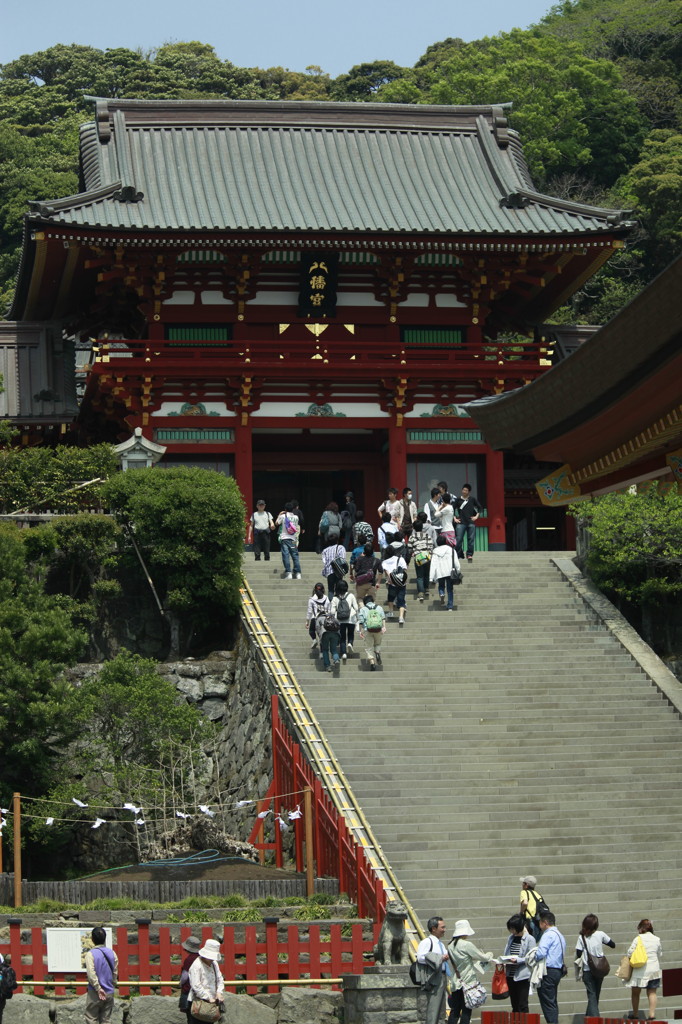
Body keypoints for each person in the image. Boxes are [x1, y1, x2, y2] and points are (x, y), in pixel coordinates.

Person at [447, 919, 493, 1024]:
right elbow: (482, 957)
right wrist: (490, 954)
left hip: (455, 982)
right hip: (468, 983)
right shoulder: (466, 945)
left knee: (455, 1011)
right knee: (466, 1010)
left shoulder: (450, 945)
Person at [576, 913, 615, 1018]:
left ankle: (592, 1018)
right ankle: (592, 1018)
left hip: (588, 970)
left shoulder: (582, 937)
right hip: (600, 969)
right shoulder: (601, 934)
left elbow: (578, 953)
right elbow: (613, 944)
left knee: (592, 995)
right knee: (595, 994)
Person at [626, 919, 662, 1020]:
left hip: (640, 970)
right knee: (652, 992)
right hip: (654, 970)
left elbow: (629, 953)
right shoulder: (657, 939)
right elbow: (660, 953)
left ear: (641, 928)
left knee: (635, 992)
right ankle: (651, 1014)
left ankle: (635, 1014)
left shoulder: (638, 939)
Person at [416, 916, 450, 1024]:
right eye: (442, 927)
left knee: (440, 1009)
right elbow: (420, 957)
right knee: (433, 1007)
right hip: (434, 977)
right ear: (434, 929)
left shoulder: (440, 943)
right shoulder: (427, 942)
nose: (444, 930)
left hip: (442, 976)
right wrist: (438, 958)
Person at [534, 911, 566, 1024]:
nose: (539, 925)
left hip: (548, 971)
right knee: (552, 1001)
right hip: (557, 970)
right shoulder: (560, 935)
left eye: (540, 922)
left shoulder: (547, 935)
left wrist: (533, 956)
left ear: (545, 923)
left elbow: (541, 953)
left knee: (547, 1002)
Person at [502, 913, 536, 1014]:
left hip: (522, 976)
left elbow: (532, 957)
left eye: (513, 928)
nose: (511, 931)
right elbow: (507, 952)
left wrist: (518, 960)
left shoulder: (530, 939)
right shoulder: (511, 938)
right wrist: (503, 960)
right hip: (510, 975)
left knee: (522, 1004)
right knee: (514, 1004)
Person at [84, 926, 118, 1024]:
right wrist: (112, 985)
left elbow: (91, 974)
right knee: (106, 1019)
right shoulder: (112, 953)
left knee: (91, 1018)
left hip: (94, 992)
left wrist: (98, 988)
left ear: (92, 939)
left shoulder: (90, 954)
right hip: (109, 991)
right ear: (105, 938)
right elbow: (115, 972)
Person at [188, 938, 224, 1023]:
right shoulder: (197, 965)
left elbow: (219, 978)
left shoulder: (214, 964)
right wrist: (207, 997)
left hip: (212, 1003)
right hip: (199, 1002)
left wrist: (219, 992)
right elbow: (196, 985)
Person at [379, 542, 408, 626]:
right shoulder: (400, 559)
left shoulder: (384, 562)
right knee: (401, 600)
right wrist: (403, 579)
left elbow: (387, 573)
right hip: (402, 584)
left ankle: (391, 612)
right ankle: (401, 617)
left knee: (390, 598)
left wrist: (391, 580)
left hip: (392, 584)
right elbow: (405, 570)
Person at [429, 533, 460, 610]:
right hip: (450, 571)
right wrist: (458, 570)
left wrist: (431, 577)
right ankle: (450, 606)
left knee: (441, 585)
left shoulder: (435, 551)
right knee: (450, 589)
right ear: (446, 541)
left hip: (440, 572)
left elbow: (433, 564)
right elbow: (456, 562)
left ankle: (441, 593)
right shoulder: (451, 550)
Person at [330, 578, 359, 661]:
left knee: (342, 637)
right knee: (350, 634)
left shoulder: (335, 598)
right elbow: (356, 607)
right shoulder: (351, 595)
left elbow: (332, 611)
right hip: (351, 619)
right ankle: (350, 643)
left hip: (340, 620)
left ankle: (343, 653)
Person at [453, 483, 482, 563]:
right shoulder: (458, 499)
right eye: (463, 490)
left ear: (469, 492)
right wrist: (454, 518)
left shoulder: (472, 499)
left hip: (470, 522)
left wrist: (476, 516)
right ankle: (457, 554)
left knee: (471, 540)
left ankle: (469, 554)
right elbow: (452, 509)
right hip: (461, 522)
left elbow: (480, 508)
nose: (464, 491)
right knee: (458, 539)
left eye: (466, 490)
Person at [357, 593, 386, 670]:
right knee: (377, 643)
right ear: (373, 601)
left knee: (369, 647)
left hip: (368, 630)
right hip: (378, 629)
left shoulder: (363, 609)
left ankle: (372, 663)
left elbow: (361, 621)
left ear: (365, 602)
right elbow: (383, 618)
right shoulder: (379, 608)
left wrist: (361, 631)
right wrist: (384, 627)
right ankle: (377, 652)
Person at [408, 518, 434, 601]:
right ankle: (426, 589)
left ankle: (420, 593)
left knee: (420, 576)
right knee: (426, 574)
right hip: (426, 555)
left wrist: (412, 553)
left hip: (418, 556)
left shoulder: (412, 537)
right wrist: (429, 554)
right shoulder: (427, 535)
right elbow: (431, 546)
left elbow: (409, 548)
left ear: (414, 528)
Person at [276, 502, 302, 579]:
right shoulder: (296, 517)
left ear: (285, 509)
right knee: (295, 555)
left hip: (285, 538)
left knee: (286, 555)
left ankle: (288, 572)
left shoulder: (283, 516)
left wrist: (279, 515)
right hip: (293, 539)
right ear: (293, 509)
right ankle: (298, 573)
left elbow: (277, 523)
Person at [178, 935, 201, 1021]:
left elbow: (185, 976)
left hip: (189, 990)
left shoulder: (189, 959)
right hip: (202, 990)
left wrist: (180, 983)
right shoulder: (202, 958)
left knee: (191, 1016)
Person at [519, 875, 546, 941]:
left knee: (527, 944)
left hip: (529, 921)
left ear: (526, 885)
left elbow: (525, 903)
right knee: (534, 943)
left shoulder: (524, 892)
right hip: (539, 923)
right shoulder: (537, 894)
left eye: (523, 883)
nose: (522, 885)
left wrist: (521, 912)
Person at [321, 533, 347, 598]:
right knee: (339, 589)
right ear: (337, 540)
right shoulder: (341, 547)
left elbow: (324, 561)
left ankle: (331, 603)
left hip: (329, 572)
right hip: (338, 571)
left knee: (330, 590)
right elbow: (342, 559)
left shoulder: (325, 550)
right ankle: (338, 602)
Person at [306, 582, 330, 649]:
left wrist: (307, 622)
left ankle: (314, 640)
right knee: (322, 636)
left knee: (311, 631)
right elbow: (329, 608)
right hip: (325, 618)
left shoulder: (311, 599)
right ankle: (322, 652)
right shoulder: (326, 598)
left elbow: (309, 611)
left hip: (315, 618)